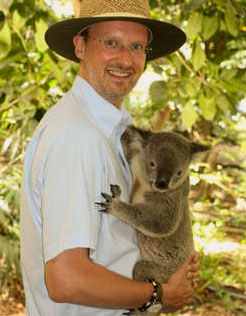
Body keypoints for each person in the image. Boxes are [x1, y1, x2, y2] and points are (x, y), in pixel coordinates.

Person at [20, 0, 199, 315]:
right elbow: (67, 280)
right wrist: (160, 294)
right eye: (111, 43)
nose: (125, 59)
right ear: (80, 46)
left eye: (137, 47)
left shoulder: (116, 131)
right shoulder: (78, 137)